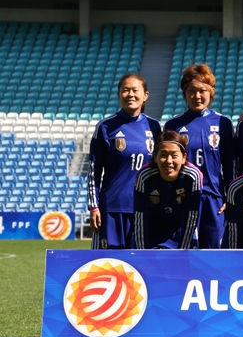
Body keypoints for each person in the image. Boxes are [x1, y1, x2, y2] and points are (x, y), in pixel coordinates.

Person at [87, 73, 162, 249]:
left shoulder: (154, 127)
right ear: (119, 94)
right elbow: (93, 171)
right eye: (125, 90)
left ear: (145, 95)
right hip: (112, 209)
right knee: (105, 264)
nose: (130, 95)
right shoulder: (105, 127)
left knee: (141, 268)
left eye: (135, 90)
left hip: (145, 210)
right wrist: (93, 207)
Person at [164, 63, 235, 249]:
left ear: (211, 92)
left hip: (214, 198)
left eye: (202, 90)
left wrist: (230, 198)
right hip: (182, 198)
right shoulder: (174, 125)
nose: (197, 96)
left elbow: (230, 164)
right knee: (184, 251)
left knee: (215, 252)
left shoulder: (223, 123)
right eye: (191, 91)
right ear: (184, 93)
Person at [133, 131, 202, 249]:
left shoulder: (192, 177)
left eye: (174, 155)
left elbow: (191, 218)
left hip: (181, 234)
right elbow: (140, 217)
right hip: (152, 234)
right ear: (155, 157)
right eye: (163, 155)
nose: (169, 161)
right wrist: (142, 252)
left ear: (183, 157)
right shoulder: (145, 177)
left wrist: (183, 251)